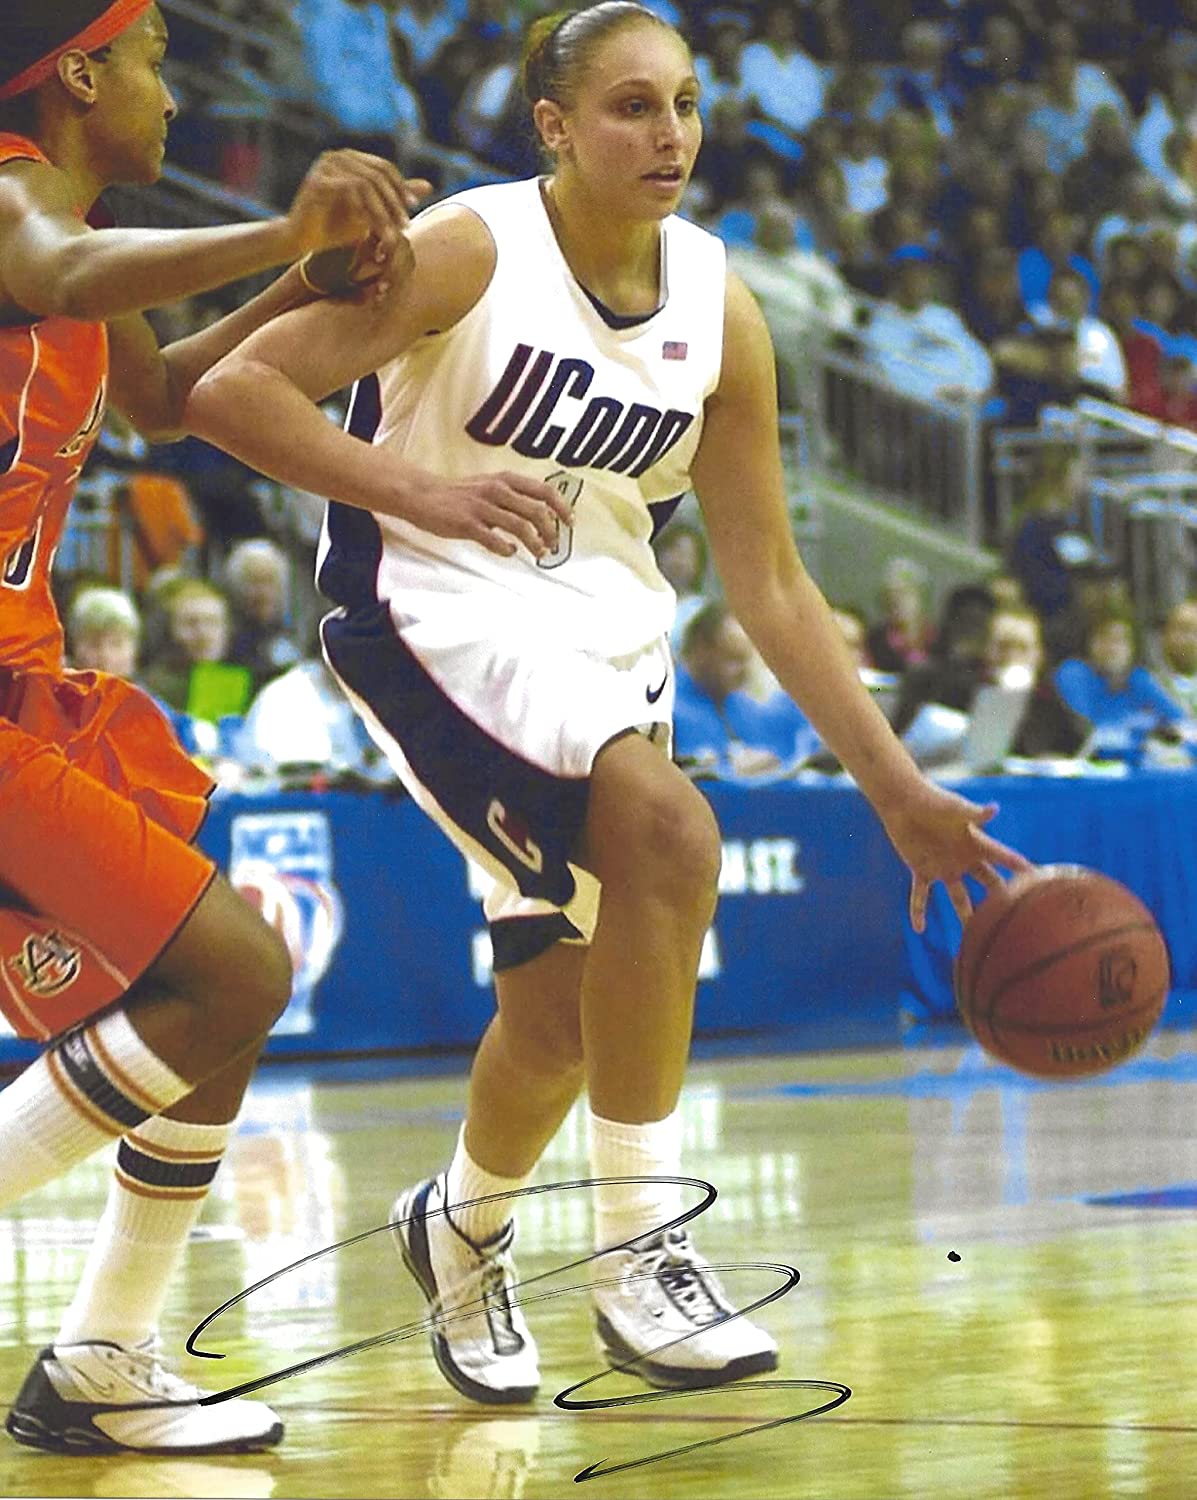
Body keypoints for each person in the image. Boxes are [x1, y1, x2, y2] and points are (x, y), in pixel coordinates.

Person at [186, 0, 1030, 1406]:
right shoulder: (474, 246)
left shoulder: (720, 306)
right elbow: (230, 392)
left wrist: (896, 790)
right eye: (633, 106)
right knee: (671, 833)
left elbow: (770, 581)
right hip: (434, 610)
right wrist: (421, 491)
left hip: (605, 641)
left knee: (560, 1024)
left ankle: (457, 1229)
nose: (670, 132)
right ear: (556, 127)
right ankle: (642, 1250)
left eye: (685, 103)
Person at [0, 0, 565, 1456]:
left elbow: (164, 401)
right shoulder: (15, 205)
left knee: (221, 988)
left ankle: (103, 1356)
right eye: (154, 60)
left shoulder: (82, 235)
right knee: (236, 973)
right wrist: (279, 223)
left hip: (26, 687)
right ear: (76, 71)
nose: (173, 95)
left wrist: (299, 280)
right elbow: (53, 269)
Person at [672, 600, 819, 778]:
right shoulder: (667, 711)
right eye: (732, 659)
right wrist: (729, 770)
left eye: (746, 659)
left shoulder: (744, 707)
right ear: (700, 651)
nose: (743, 671)